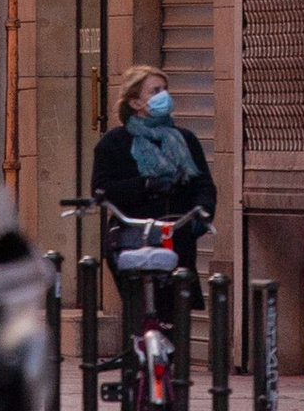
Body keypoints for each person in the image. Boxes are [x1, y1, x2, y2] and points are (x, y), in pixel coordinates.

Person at [89, 63, 216, 271]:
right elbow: (101, 189)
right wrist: (145, 185)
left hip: (177, 235)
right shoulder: (114, 142)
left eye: (165, 89)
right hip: (131, 236)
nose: (163, 95)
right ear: (135, 102)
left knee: (182, 298)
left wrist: (202, 213)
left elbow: (203, 184)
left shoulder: (185, 139)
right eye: (155, 91)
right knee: (138, 296)